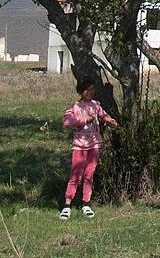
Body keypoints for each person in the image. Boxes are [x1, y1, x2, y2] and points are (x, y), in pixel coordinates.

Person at [59, 77, 118, 220]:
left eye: (92, 89)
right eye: (87, 89)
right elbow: (66, 121)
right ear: (81, 91)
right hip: (79, 147)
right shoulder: (75, 107)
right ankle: (67, 205)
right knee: (75, 175)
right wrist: (84, 120)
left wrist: (110, 121)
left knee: (89, 175)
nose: (89, 92)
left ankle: (86, 203)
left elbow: (103, 115)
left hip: (94, 145)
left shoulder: (96, 105)